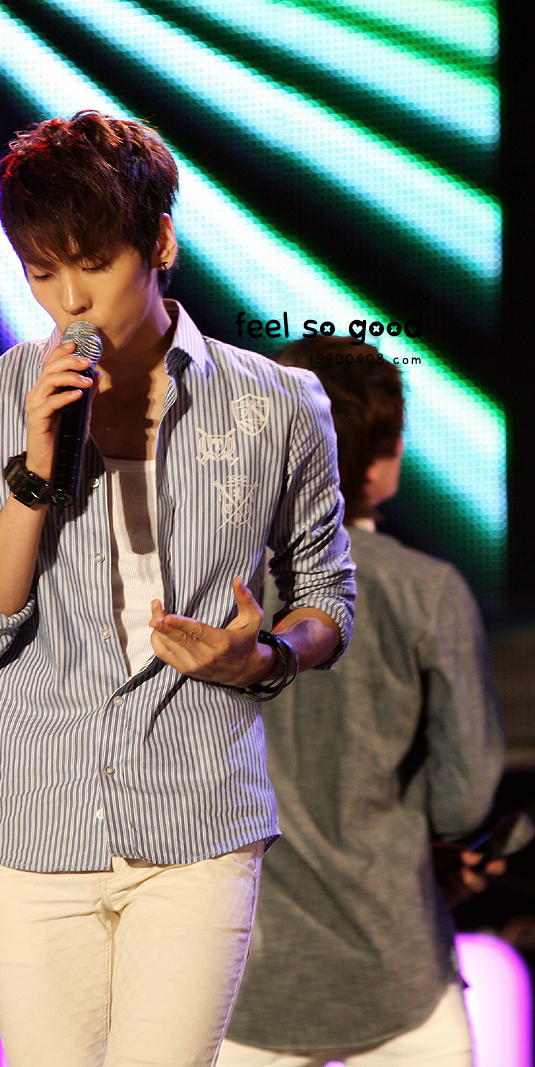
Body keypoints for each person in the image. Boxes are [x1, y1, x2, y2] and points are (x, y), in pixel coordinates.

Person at [0, 112, 355, 1067]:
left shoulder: (278, 404)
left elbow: (327, 593)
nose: (70, 299)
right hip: (35, 821)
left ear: (159, 243)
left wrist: (266, 656)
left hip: (198, 816)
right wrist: (34, 471)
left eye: (94, 264)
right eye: (42, 272)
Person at [220, 338, 506, 1067]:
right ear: (382, 462)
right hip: (399, 970)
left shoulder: (213, 590)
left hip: (247, 978)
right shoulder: (428, 591)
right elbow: (464, 801)